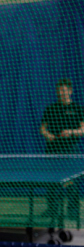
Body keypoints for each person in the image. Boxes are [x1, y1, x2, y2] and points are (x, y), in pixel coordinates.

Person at [40, 78, 84, 222]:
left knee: (71, 181)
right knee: (51, 181)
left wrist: (71, 132)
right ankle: (52, 209)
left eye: (64, 90)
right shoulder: (51, 108)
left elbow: (83, 129)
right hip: (52, 150)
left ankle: (73, 211)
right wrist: (48, 135)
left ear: (70, 91)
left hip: (70, 150)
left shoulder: (78, 109)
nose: (61, 93)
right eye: (59, 91)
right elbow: (43, 128)